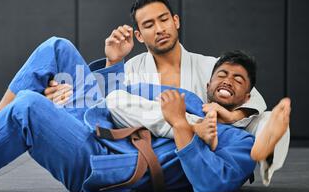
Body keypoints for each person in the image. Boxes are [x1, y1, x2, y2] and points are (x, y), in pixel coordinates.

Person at [0, 35, 289, 192]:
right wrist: (81, 84)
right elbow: (121, 95)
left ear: (247, 93)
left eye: (238, 79)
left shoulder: (242, 140)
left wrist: (180, 126)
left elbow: (212, 185)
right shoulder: (188, 98)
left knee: (29, 105)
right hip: (99, 125)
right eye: (221, 74)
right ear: (210, 84)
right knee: (56, 48)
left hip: (103, 163)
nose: (227, 81)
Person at [105, 50, 291, 163]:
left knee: (268, 117)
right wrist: (113, 62)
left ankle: (261, 149)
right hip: (183, 127)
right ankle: (194, 126)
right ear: (207, 86)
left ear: (175, 20)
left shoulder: (207, 64)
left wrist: (230, 116)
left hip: (227, 133)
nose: (228, 81)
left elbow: (254, 99)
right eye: (149, 24)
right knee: (115, 99)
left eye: (163, 19)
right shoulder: (136, 66)